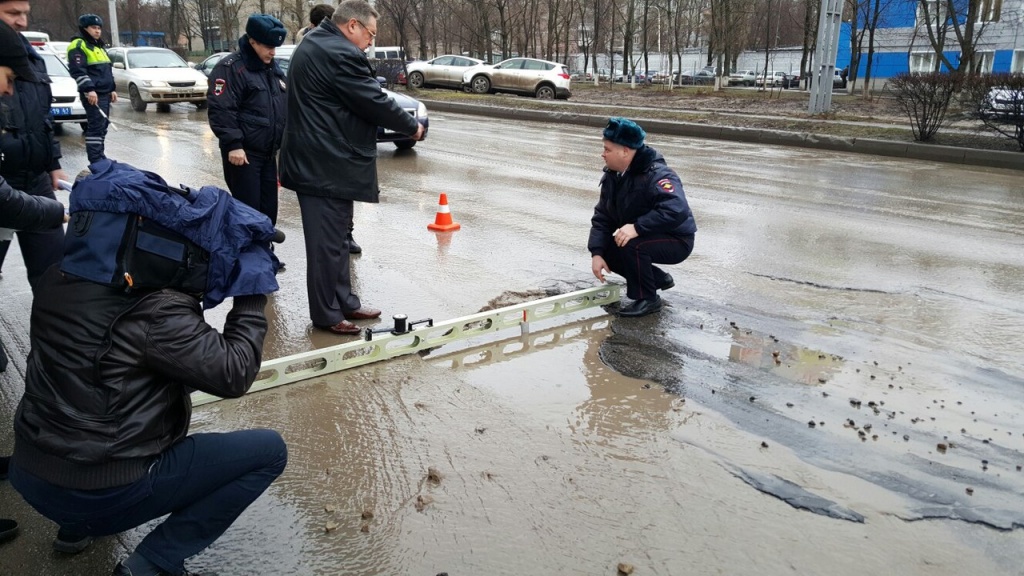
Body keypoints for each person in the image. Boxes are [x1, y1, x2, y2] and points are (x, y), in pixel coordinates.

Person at [8, 168, 287, 576]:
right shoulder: (157, 309)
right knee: (268, 451)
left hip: (30, 470)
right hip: (101, 490)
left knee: (88, 386)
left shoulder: (57, 277)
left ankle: (72, 529)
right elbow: (234, 373)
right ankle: (154, 562)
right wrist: (251, 293)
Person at [280, 0, 424, 336]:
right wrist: (410, 126)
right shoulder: (339, 52)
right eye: (370, 34)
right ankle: (327, 314)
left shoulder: (318, 41)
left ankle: (344, 301)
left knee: (338, 241)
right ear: (352, 25)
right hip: (324, 164)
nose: (371, 41)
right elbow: (372, 99)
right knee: (326, 246)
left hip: (325, 160)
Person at [0, 17, 67, 547]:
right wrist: (51, 211)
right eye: (5, 77)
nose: (9, 88)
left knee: (59, 287)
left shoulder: (28, 64)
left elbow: (41, 123)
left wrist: (49, 170)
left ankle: (61, 376)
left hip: (28, 185)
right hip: (17, 198)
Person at [588, 117, 697, 318]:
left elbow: (676, 209)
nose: (602, 154)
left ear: (625, 151)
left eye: (607, 149)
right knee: (609, 250)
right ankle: (656, 279)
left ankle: (648, 298)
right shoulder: (614, 175)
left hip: (676, 239)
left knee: (631, 244)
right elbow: (603, 216)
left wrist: (636, 227)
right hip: (646, 235)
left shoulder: (658, 174)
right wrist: (596, 253)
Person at [207, 14, 287, 267]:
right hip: (243, 154)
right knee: (246, 208)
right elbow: (222, 109)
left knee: (268, 209)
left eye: (275, 47)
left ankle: (263, 252)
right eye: (267, 46)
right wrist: (233, 144)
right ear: (252, 41)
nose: (272, 52)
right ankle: (245, 259)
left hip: (267, 153)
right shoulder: (231, 68)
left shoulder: (272, 70)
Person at [0, 0, 67, 287]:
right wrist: (57, 213)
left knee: (54, 276)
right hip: (5, 183)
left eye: (26, 13)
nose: (23, 22)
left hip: (35, 181)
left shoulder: (30, 58)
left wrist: (52, 163)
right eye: (13, 14)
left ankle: (56, 331)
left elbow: (43, 118)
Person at [296, 2, 364, 255]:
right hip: (321, 140)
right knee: (328, 199)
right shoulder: (313, 49)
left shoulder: (337, 48)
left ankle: (346, 233)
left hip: (338, 138)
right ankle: (334, 240)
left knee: (343, 195)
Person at [68, 13, 117, 163]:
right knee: (96, 128)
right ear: (84, 28)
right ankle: (96, 161)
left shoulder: (98, 46)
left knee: (102, 127)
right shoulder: (78, 45)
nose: (97, 31)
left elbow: (106, 71)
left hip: (104, 93)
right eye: (93, 28)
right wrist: (89, 89)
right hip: (93, 94)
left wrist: (112, 89)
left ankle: (100, 157)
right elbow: (78, 70)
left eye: (99, 28)